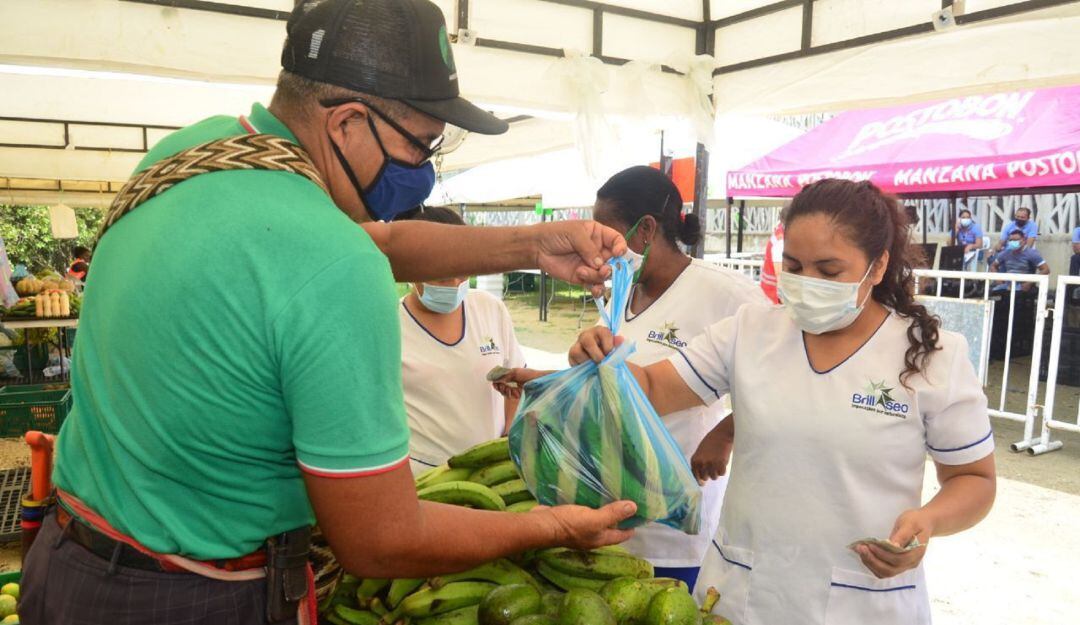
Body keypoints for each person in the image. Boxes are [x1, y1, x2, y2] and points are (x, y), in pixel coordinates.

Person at [21, 2, 636, 623]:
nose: (424, 172)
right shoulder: (331, 264)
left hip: (65, 565)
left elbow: (381, 244)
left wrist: (532, 244)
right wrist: (549, 525)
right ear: (346, 123)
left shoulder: (193, 155)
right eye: (423, 145)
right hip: (189, 599)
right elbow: (380, 539)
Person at [505, 179, 997, 625]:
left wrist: (928, 522)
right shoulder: (751, 331)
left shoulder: (931, 356)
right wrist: (602, 358)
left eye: (829, 269)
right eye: (794, 266)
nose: (807, 282)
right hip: (743, 593)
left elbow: (974, 479)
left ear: (878, 264)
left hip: (863, 597)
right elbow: (652, 389)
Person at [581, 165, 766, 589]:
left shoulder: (726, 293)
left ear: (645, 230)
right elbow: (616, 382)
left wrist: (727, 431)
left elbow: (785, 373)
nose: (598, 246)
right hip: (613, 514)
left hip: (675, 529)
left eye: (604, 232)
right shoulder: (623, 291)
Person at [398, 206, 526, 473]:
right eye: (443, 275)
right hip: (424, 477)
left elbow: (517, 383)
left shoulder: (489, 308)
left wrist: (507, 441)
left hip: (491, 469)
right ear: (411, 270)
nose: (455, 283)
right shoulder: (390, 324)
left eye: (463, 271)